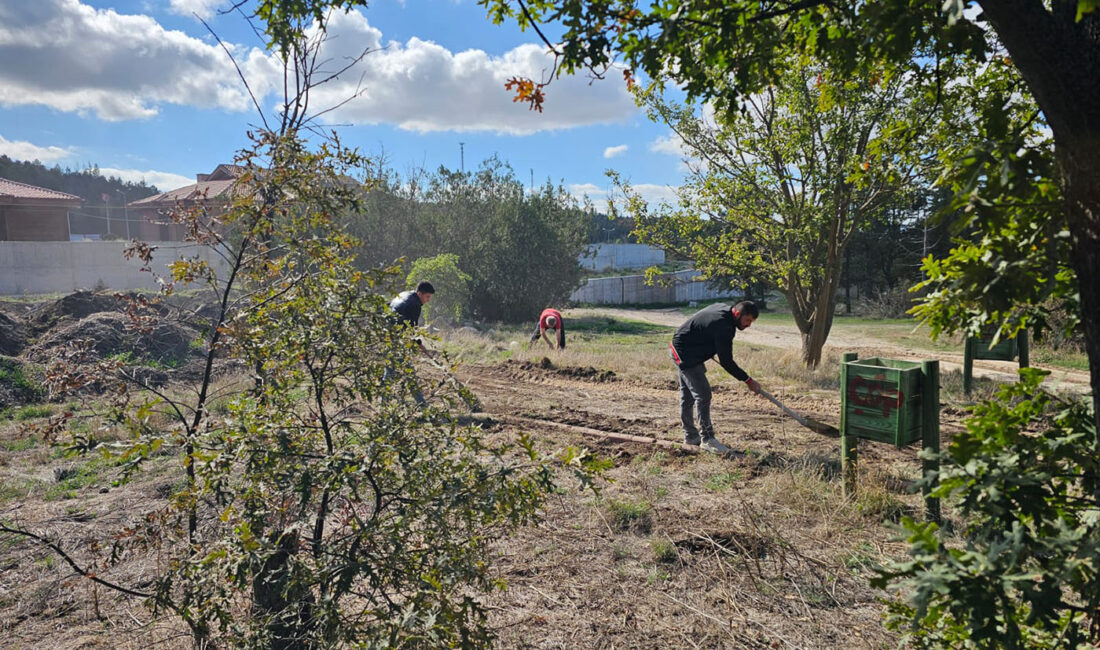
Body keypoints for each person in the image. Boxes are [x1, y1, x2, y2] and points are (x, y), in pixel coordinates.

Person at [669, 300, 761, 453]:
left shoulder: (724, 310)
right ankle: (708, 439)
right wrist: (748, 380)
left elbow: (705, 328)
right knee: (703, 395)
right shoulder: (724, 326)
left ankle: (691, 437)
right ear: (737, 314)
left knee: (689, 396)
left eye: (751, 321)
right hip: (684, 353)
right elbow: (727, 361)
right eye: (747, 320)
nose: (749, 325)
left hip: (687, 348)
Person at [386, 281, 435, 404]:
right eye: (427, 297)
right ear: (420, 293)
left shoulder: (404, 294)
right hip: (397, 340)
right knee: (408, 372)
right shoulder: (414, 305)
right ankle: (422, 405)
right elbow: (411, 329)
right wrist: (418, 343)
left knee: (391, 370)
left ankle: (383, 402)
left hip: (388, 336)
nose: (428, 300)